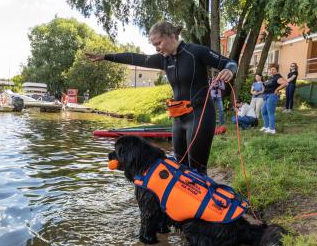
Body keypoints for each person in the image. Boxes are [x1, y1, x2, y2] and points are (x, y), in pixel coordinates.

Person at [85, 21, 237, 174]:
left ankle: (207, 195)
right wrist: (106, 56)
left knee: (197, 169)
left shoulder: (195, 52)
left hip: (200, 115)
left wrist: (230, 71)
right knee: (180, 167)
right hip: (179, 117)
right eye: (154, 45)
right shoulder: (164, 60)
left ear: (171, 36)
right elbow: (134, 57)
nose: (157, 48)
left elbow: (229, 62)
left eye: (159, 43)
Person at [260, 64, 288, 134]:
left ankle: (272, 129)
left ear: (276, 70)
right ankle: (266, 126)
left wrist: (277, 89)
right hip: (266, 96)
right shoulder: (271, 77)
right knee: (263, 111)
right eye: (270, 69)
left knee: (270, 112)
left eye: (273, 69)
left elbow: (285, 83)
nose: (271, 71)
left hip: (272, 96)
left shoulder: (277, 77)